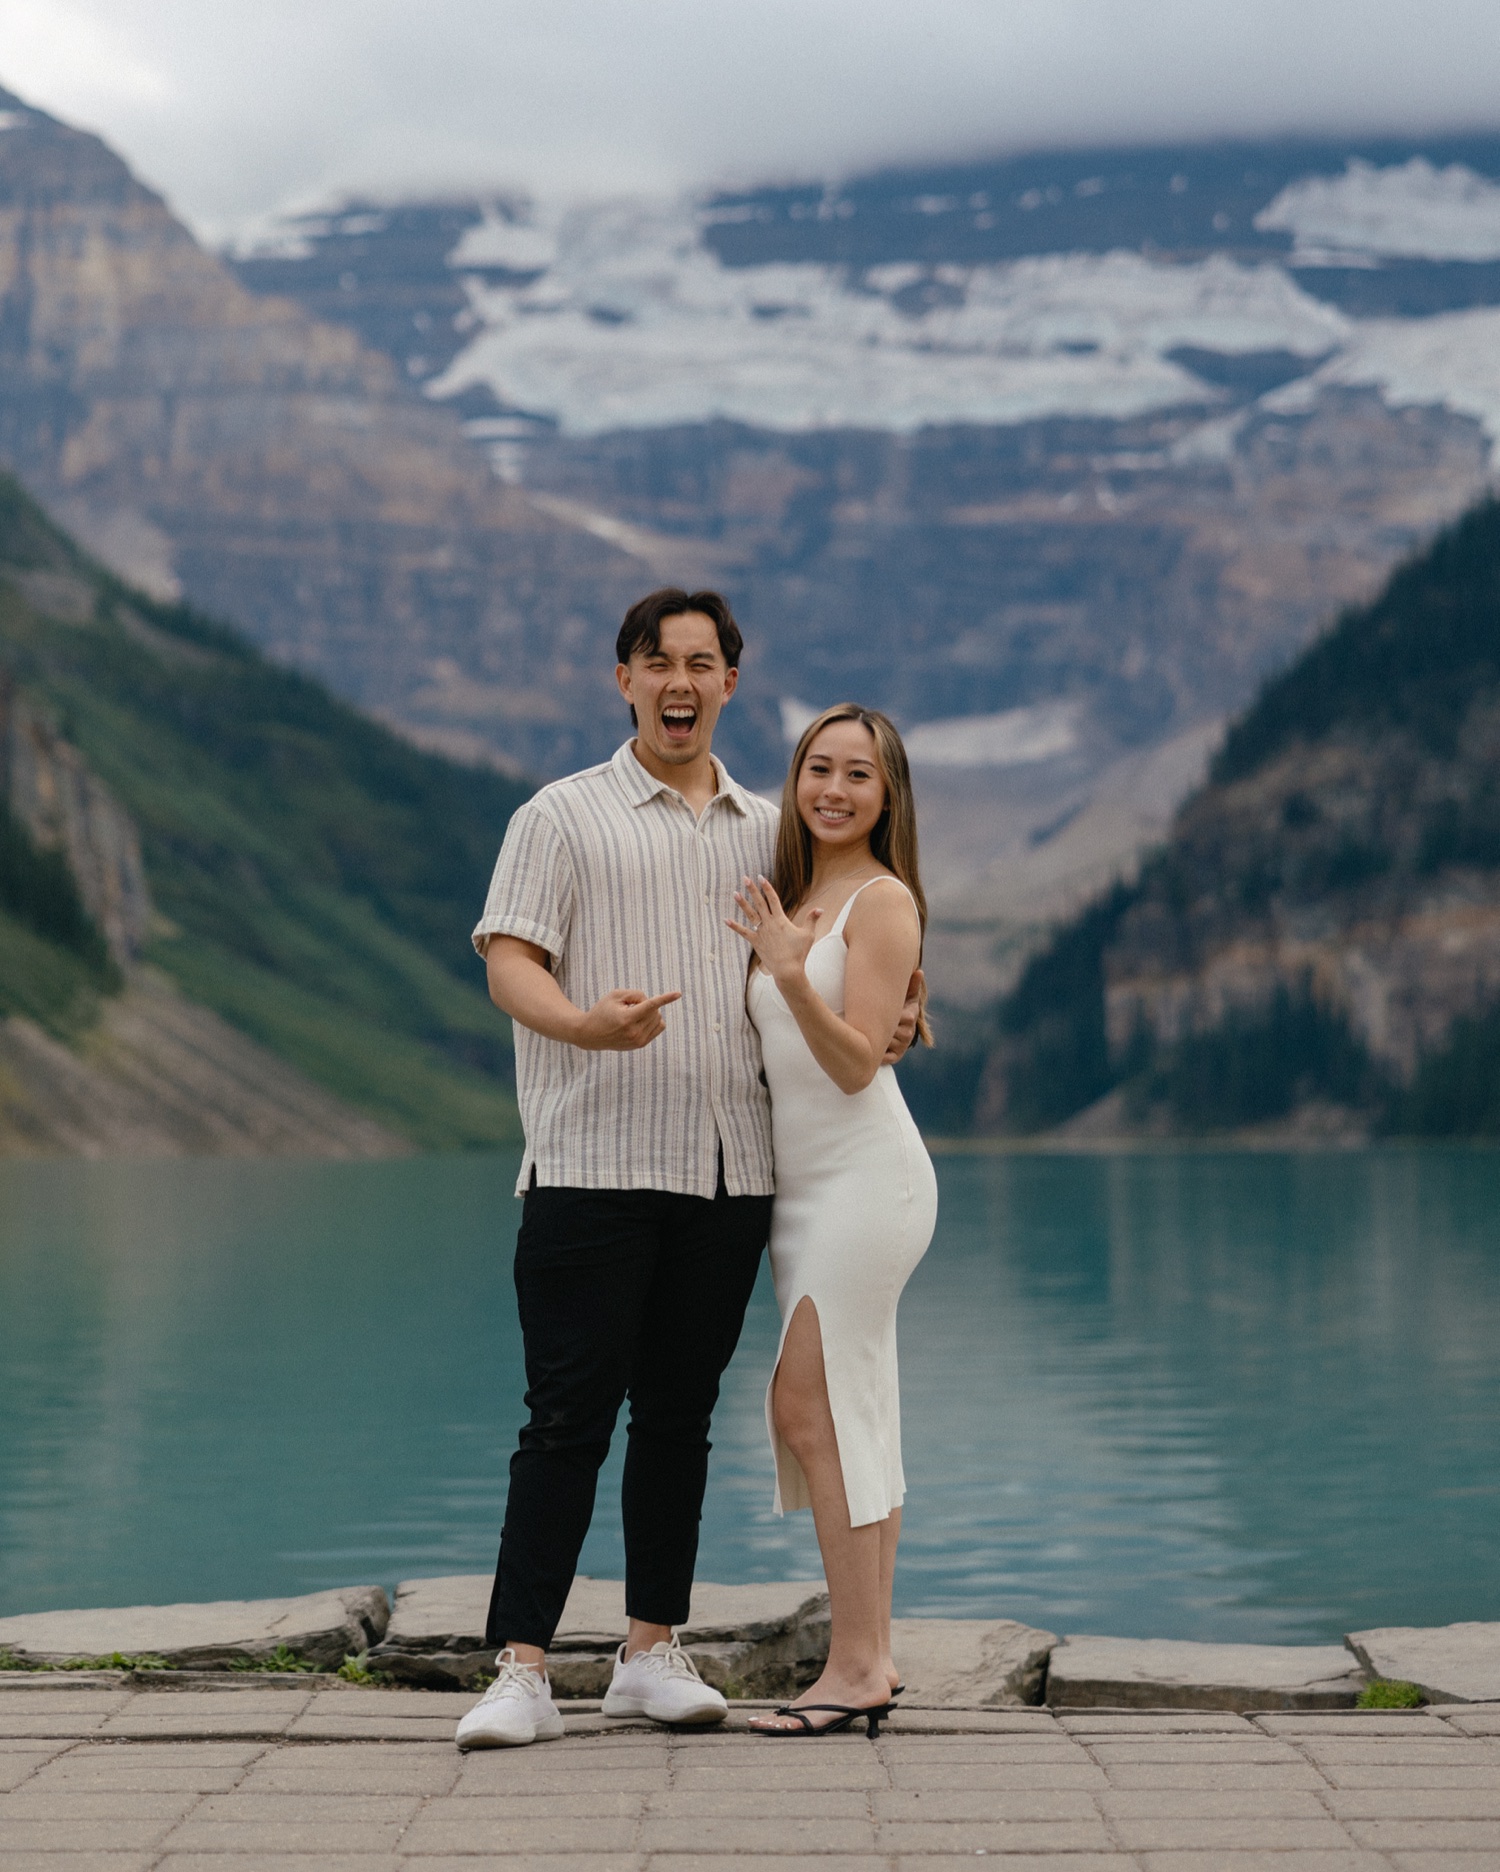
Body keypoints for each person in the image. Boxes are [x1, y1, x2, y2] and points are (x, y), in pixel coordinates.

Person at [455, 592, 919, 1750]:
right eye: (658, 660)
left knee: (677, 1420)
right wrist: (577, 1023)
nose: (680, 679)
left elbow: (851, 929)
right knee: (566, 1417)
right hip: (592, 1163)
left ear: (729, 685)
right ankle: (519, 1669)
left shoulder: (774, 832)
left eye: (702, 662)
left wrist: (904, 1001)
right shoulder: (560, 816)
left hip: (731, 1180)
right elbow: (509, 958)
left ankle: (651, 1652)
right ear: (624, 679)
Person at [726, 703, 937, 1738]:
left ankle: (852, 1663)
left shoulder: (881, 901)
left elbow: (857, 1062)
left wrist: (781, 970)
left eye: (859, 774)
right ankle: (872, 1659)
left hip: (867, 1178)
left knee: (806, 1408)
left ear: (886, 796)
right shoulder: (803, 893)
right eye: (819, 768)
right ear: (797, 781)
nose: (835, 789)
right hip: (804, 1192)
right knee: (853, 1410)